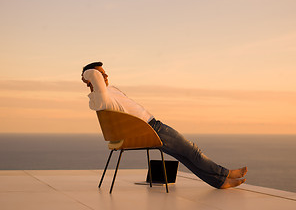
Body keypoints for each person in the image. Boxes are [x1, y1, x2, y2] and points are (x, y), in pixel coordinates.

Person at [81, 62, 247, 189]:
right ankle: (225, 173)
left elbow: (102, 83)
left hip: (151, 126)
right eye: (101, 73)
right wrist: (88, 74)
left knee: (185, 156)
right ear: (92, 78)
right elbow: (96, 80)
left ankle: (219, 182)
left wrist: (94, 75)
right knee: (192, 151)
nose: (106, 75)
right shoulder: (101, 98)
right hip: (151, 128)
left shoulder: (110, 91)